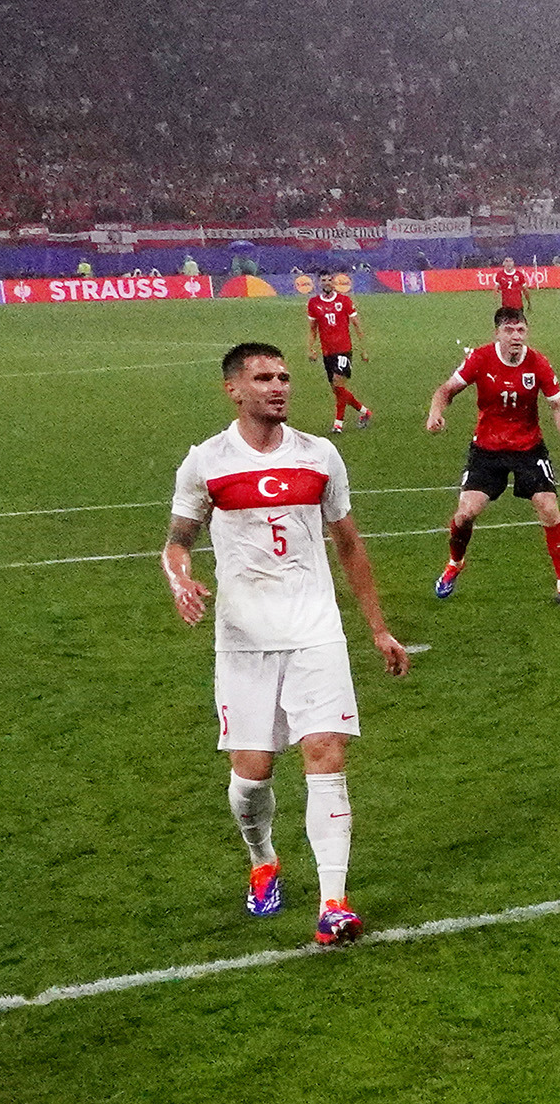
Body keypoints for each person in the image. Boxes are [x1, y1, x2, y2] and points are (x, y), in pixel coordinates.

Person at [163, 342, 412, 947]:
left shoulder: (320, 455)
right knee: (252, 776)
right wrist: (180, 580)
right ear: (234, 389)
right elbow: (176, 541)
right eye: (263, 378)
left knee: (326, 752)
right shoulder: (206, 463)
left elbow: (349, 544)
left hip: (314, 632)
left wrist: (377, 627)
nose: (278, 386)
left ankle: (334, 902)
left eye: (283, 377)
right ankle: (263, 858)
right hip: (245, 641)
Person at [427, 305, 560, 606]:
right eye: (509, 331)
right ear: (497, 333)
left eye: (521, 330)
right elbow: (445, 390)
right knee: (466, 513)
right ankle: (454, 563)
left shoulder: (538, 362)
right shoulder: (480, 359)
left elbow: (558, 406)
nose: (516, 336)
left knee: (549, 508)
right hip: (487, 448)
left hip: (528, 448)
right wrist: (436, 413)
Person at [304, 269, 373, 432]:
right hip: (327, 352)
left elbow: (357, 325)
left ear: (334, 282)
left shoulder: (344, 301)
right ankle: (365, 412)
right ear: (319, 283)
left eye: (329, 280)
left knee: (338, 383)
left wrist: (363, 349)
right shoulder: (314, 303)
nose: (326, 283)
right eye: (323, 280)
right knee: (337, 390)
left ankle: (338, 424)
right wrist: (311, 349)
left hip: (343, 350)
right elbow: (313, 329)